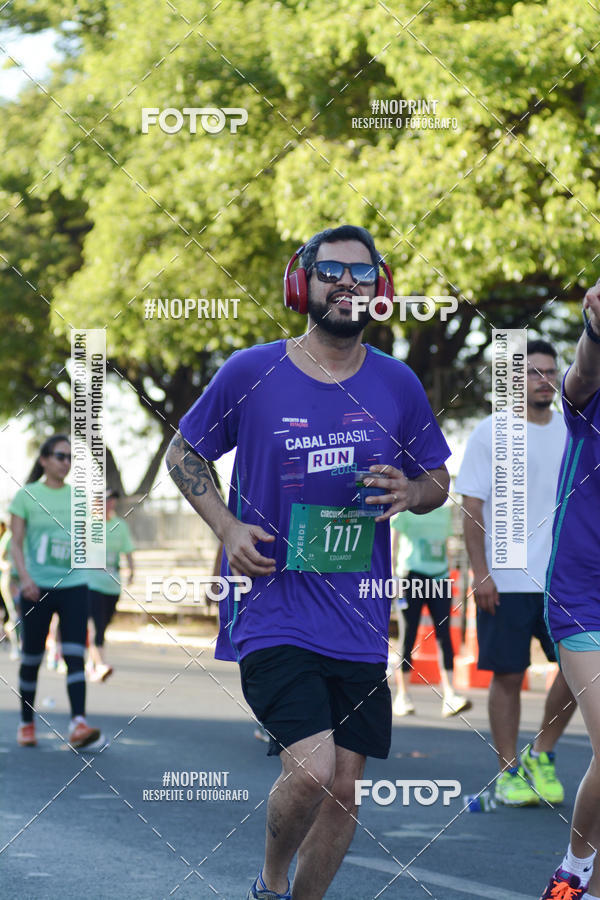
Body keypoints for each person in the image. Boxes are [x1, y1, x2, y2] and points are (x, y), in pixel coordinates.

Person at [166, 224, 451, 900]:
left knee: (345, 794)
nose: (345, 284)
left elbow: (437, 478)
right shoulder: (250, 371)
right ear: (304, 282)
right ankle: (269, 885)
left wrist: (412, 491)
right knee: (315, 769)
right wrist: (228, 526)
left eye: (360, 274)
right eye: (331, 272)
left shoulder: (398, 383)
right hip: (273, 609)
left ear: (379, 290)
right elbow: (183, 455)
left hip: (357, 618)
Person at [456, 340, 576, 807]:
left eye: (550, 372)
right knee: (508, 675)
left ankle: (540, 754)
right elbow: (472, 506)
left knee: (578, 671)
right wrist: (480, 573)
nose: (543, 381)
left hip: (563, 580)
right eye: (533, 373)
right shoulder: (491, 432)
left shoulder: (573, 432)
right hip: (505, 577)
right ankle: (509, 772)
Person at [538, 285, 600, 898]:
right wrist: (596, 330)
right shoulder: (589, 400)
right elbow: (581, 374)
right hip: (583, 594)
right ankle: (575, 868)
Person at [9, 434, 103, 749]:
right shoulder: (26, 496)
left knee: (75, 654)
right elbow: (16, 545)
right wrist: (24, 579)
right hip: (36, 588)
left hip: (74, 586)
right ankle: (26, 723)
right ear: (44, 460)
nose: (65, 462)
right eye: (60, 456)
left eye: (69, 458)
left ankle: (78, 724)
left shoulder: (78, 498)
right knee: (32, 658)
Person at [390, 503, 471, 718]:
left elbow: (446, 545)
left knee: (444, 635)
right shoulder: (405, 508)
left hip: (440, 577)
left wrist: (449, 572)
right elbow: (394, 542)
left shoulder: (443, 511)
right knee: (409, 634)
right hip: (411, 576)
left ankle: (450, 694)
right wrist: (393, 576)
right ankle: (403, 696)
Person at [86, 489, 135, 682]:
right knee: (96, 625)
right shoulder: (88, 526)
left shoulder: (119, 526)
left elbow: (128, 550)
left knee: (104, 625)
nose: (110, 504)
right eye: (106, 500)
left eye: (112, 501)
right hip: (91, 582)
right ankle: (100, 665)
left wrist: (132, 570)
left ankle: (92, 662)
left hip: (112, 584)